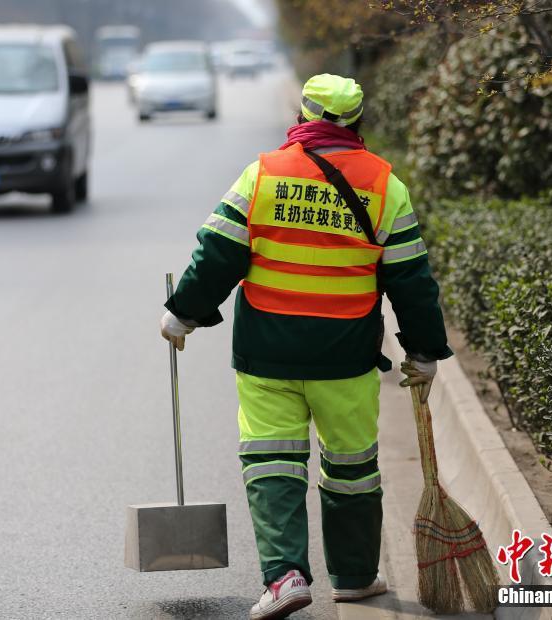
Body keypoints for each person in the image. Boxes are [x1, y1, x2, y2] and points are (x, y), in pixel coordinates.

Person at [159, 73, 452, 620]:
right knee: (352, 467)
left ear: (303, 117)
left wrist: (183, 313)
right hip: (345, 358)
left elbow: (217, 253)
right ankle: (356, 576)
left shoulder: (263, 174)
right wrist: (424, 350)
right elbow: (412, 281)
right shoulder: (386, 186)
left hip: (267, 353)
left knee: (272, 462)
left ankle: (285, 576)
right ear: (358, 121)